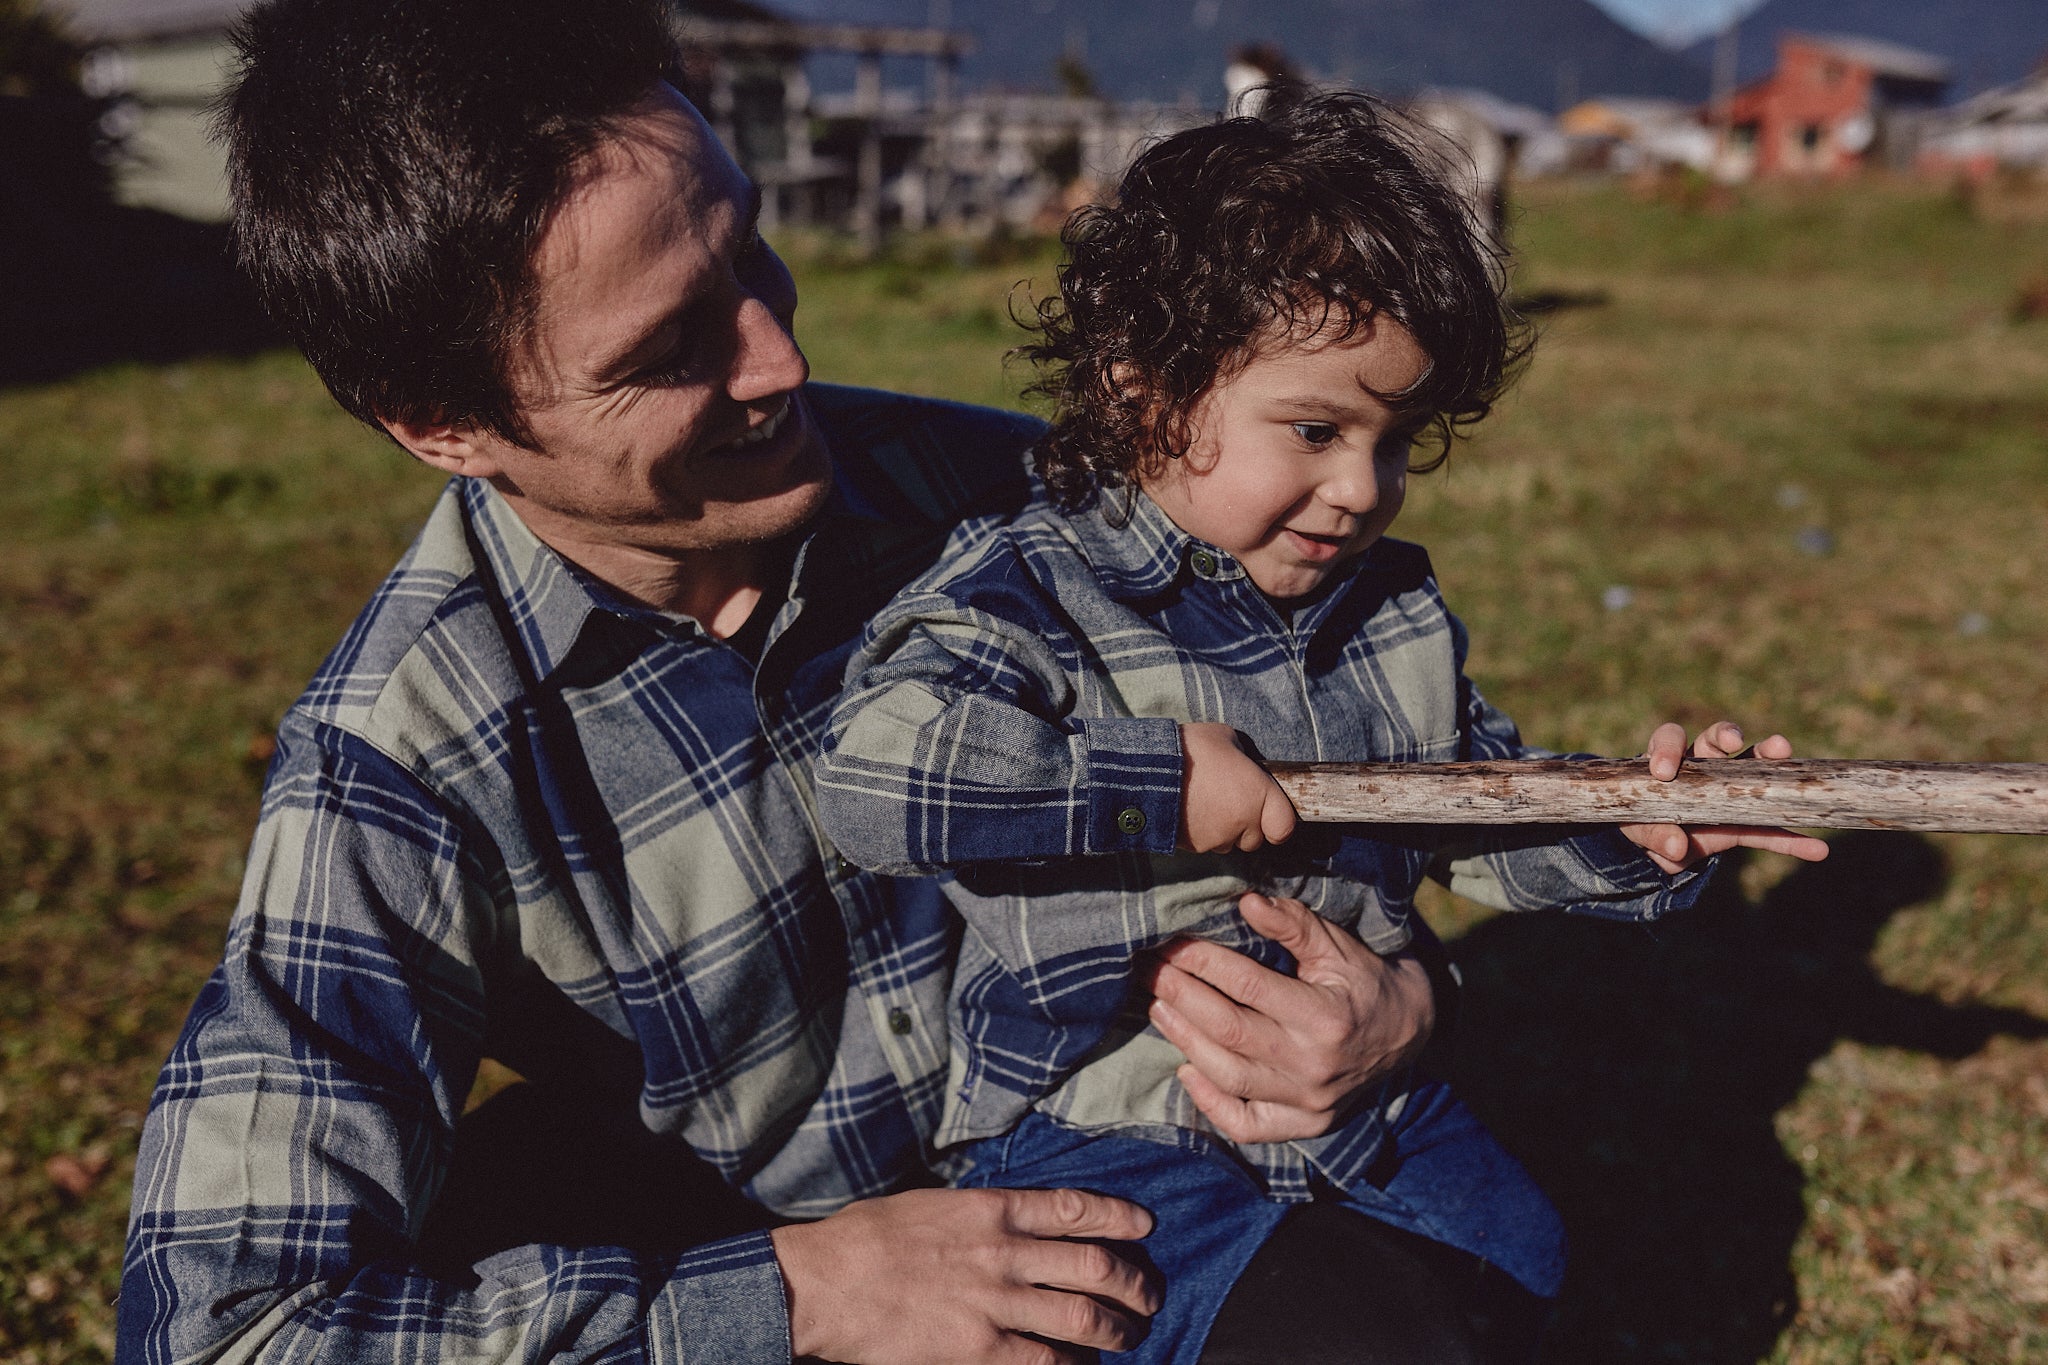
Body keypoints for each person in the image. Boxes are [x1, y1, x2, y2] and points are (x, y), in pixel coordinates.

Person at [117, 3, 1461, 1362]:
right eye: (668, 349)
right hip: (772, 1281)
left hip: (1139, 1192)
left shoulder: (1012, 505)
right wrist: (804, 1294)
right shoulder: (399, 764)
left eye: (750, 245)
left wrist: (1402, 1003)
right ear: (443, 424)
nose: (781, 359)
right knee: (503, 1197)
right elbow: (229, 1330)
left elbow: (1348, 766)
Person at [814, 93, 1830, 1364]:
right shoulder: (1022, 595)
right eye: (1315, 430)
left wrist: (1633, 832)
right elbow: (874, 778)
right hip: (1113, 1126)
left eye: (1394, 442)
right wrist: (1152, 780)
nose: (1360, 489)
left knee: (1520, 1263)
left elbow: (1477, 807)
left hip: (1355, 1090)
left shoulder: (1381, 615)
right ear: (1145, 390)